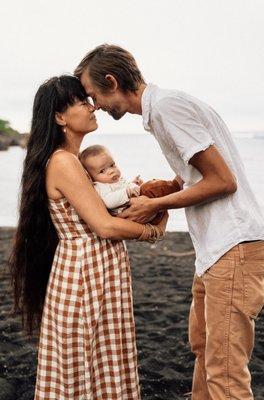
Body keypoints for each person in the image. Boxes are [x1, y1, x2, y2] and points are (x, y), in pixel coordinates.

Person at [74, 45, 264, 400]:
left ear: (112, 81)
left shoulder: (167, 108)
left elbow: (223, 181)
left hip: (233, 246)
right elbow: (197, 177)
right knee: (204, 347)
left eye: (94, 94)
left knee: (225, 373)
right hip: (214, 250)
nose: (94, 104)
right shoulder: (163, 110)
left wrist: (155, 205)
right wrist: (161, 188)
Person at [8, 75, 168, 400]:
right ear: (59, 117)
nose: (93, 105)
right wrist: (152, 231)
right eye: (82, 101)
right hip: (83, 279)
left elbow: (108, 213)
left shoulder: (76, 163)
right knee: (83, 371)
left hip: (95, 273)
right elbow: (105, 227)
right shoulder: (64, 162)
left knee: (98, 365)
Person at [79, 144, 181, 221]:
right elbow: (108, 202)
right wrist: (127, 192)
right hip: (131, 214)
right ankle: (175, 187)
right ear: (92, 177)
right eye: (102, 171)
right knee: (150, 187)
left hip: (143, 209)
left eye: (112, 165)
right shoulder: (100, 186)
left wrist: (134, 184)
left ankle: (173, 192)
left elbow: (125, 186)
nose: (111, 171)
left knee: (149, 187)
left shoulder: (117, 180)